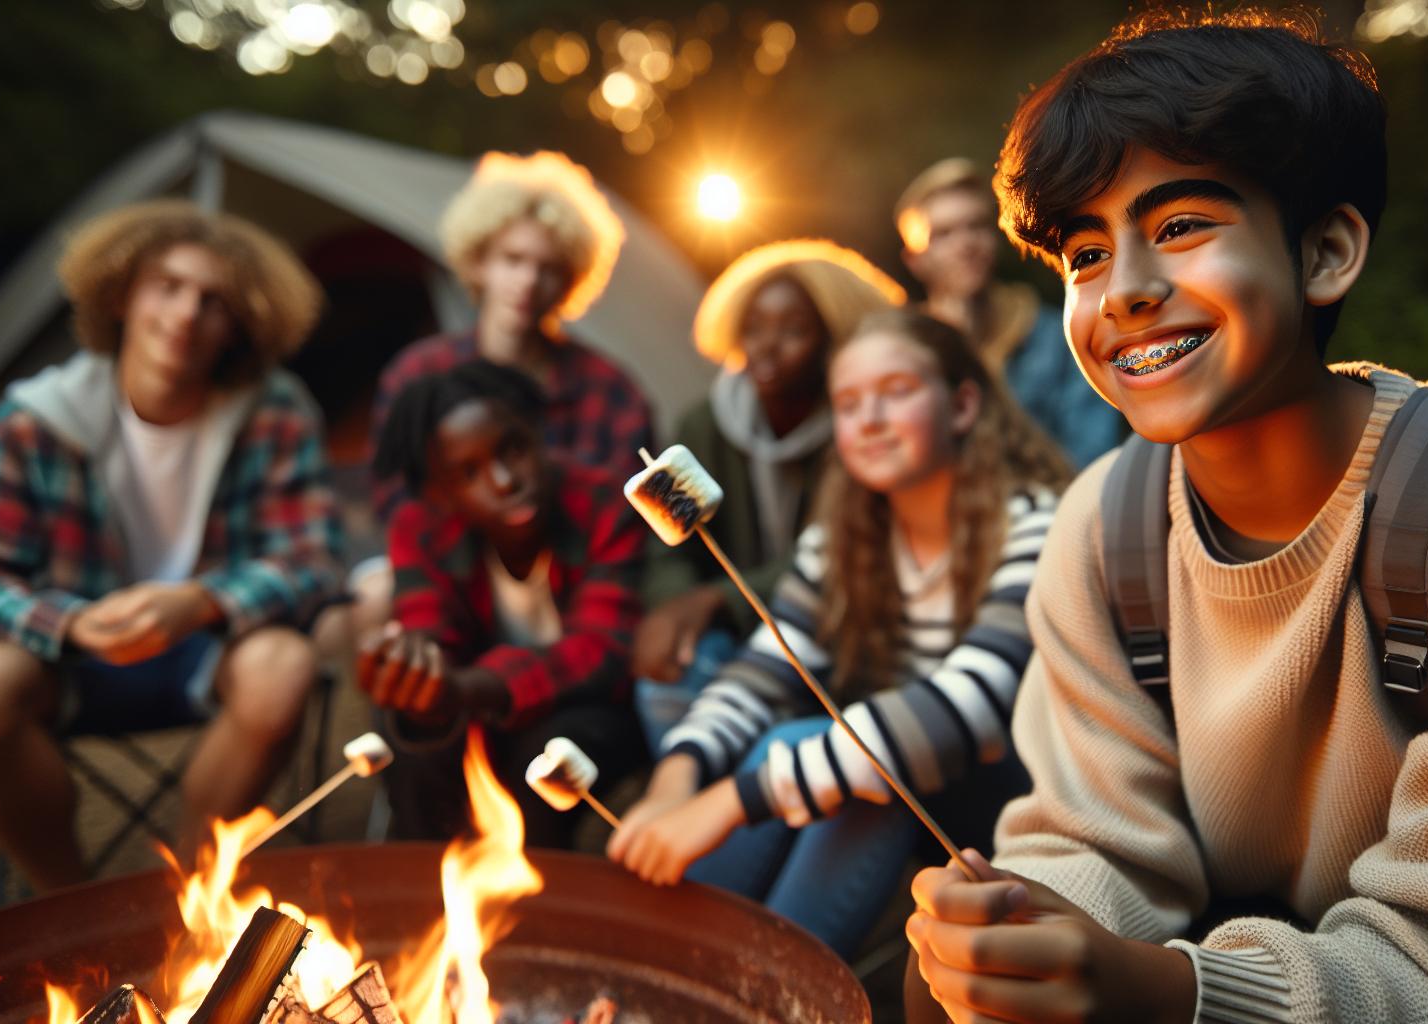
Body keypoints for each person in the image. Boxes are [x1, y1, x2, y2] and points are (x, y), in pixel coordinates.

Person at [904, 10, 1428, 1023]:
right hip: (1245, 948)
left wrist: (1165, 988)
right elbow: (1095, 838)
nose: (1125, 291)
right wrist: (1030, 922)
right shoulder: (1101, 525)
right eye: (1085, 254)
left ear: (1325, 252)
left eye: (1180, 227)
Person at [609, 308, 1068, 959]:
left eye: (897, 392)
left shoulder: (1037, 525)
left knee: (832, 756)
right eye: (848, 404)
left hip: (1016, 800)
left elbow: (970, 706)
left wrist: (730, 801)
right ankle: (689, 966)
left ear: (964, 406)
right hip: (892, 785)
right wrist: (676, 780)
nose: (869, 419)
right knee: (835, 758)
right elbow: (767, 671)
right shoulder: (842, 541)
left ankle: (749, 978)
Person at [0, 199, 340, 891]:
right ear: (121, 296)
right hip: (69, 659)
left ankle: (186, 899)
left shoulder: (275, 410)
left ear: (240, 323)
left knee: (283, 667)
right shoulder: (34, 419)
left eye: (213, 301)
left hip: (211, 648)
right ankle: (66, 904)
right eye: (167, 287)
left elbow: (313, 561)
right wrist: (70, 623)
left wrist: (201, 602)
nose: (185, 315)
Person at [353, 151, 653, 633]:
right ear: (478, 262)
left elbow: (623, 516)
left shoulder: (611, 390)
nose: (528, 281)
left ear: (571, 279)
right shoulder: (419, 374)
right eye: (513, 260)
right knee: (373, 598)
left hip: (569, 579)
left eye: (548, 267)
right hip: (447, 570)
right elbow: (394, 498)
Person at [359, 361, 647, 849]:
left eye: (513, 449)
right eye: (469, 472)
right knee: (410, 735)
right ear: (440, 493)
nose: (504, 480)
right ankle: (430, 880)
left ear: (537, 432)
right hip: (476, 709)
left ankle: (535, 888)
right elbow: (429, 633)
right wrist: (415, 674)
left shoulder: (604, 501)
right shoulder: (420, 526)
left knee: (545, 758)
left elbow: (602, 653)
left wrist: (471, 686)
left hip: (587, 709)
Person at [632, 239, 906, 749]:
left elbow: (840, 557)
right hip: (729, 632)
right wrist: (677, 607)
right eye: (754, 328)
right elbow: (668, 550)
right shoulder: (705, 422)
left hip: (831, 633)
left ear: (833, 340)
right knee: (670, 678)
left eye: (794, 330)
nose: (767, 347)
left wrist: (716, 599)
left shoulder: (858, 432)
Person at [896, 156, 1127, 469]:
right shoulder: (902, 351)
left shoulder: (1058, 338)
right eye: (943, 234)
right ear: (914, 260)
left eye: (977, 225)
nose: (965, 244)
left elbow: (1095, 462)